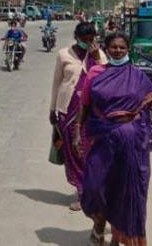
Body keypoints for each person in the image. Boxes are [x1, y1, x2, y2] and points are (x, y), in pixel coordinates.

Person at [76, 32, 152, 246]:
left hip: (132, 144)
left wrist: (140, 134)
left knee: (125, 190)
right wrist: (77, 131)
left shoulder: (138, 76)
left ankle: (119, 235)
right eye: (114, 47)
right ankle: (98, 225)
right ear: (107, 48)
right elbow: (84, 105)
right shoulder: (95, 73)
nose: (118, 51)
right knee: (95, 187)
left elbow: (146, 110)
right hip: (102, 140)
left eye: (122, 47)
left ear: (127, 49)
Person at [48, 21, 105, 211]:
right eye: (84, 39)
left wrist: (97, 57)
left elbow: (108, 75)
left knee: (90, 152)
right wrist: (52, 109)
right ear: (76, 37)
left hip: (92, 112)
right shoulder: (64, 54)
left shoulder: (98, 53)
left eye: (91, 39)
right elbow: (57, 83)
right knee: (74, 152)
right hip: (68, 110)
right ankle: (82, 191)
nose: (87, 43)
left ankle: (93, 189)